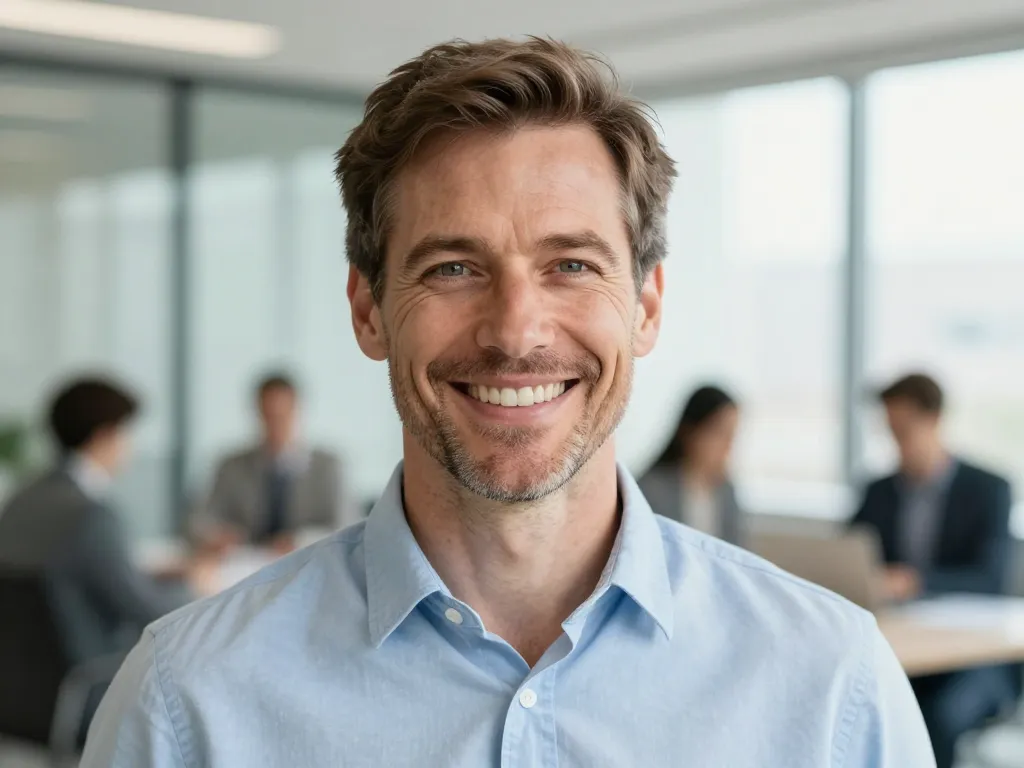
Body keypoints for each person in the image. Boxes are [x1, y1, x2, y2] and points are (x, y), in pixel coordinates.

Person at [82, 39, 933, 766]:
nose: (516, 331)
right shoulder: (188, 702)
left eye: (571, 264)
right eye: (453, 267)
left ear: (646, 305)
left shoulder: (830, 687)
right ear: (369, 309)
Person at [0, 378, 204, 736]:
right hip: (85, 689)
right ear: (105, 435)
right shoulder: (91, 516)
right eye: (126, 434)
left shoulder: (19, 501)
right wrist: (196, 587)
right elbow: (149, 612)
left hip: (17, 694)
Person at [851, 372, 1016, 768]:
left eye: (904, 429)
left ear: (935, 420)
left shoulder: (989, 488)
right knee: (860, 708)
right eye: (889, 430)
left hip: (975, 658)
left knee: (934, 720)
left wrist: (916, 582)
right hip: (903, 648)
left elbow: (991, 578)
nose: (896, 442)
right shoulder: (879, 491)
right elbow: (848, 557)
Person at [190, 372, 353, 554]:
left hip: (307, 563)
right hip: (244, 567)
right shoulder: (232, 466)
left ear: (297, 412)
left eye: (282, 417)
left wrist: (299, 540)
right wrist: (217, 535)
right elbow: (200, 521)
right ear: (257, 413)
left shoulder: (328, 467)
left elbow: (345, 527)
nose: (275, 426)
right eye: (268, 416)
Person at [638, 385, 745, 544]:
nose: (728, 446)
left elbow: (738, 552)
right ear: (689, 431)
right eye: (719, 433)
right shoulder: (650, 489)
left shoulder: (725, 490)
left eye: (732, 435)